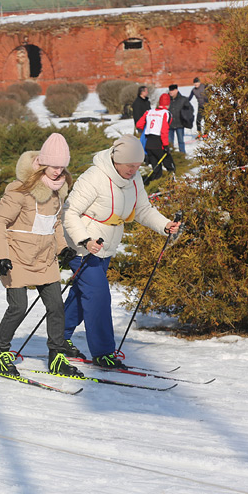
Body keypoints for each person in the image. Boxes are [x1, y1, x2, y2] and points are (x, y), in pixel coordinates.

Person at [62, 135, 180, 368]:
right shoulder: (94, 177)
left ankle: (59, 338)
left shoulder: (134, 180)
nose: (134, 170)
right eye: (130, 166)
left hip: (106, 248)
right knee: (98, 296)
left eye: (138, 166)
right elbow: (69, 212)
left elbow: (143, 209)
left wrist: (164, 224)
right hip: (82, 247)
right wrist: (84, 240)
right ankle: (104, 352)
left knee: (80, 295)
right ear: (117, 160)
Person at [0, 133, 80, 377]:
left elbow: (56, 224)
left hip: (44, 258)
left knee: (56, 307)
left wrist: (63, 248)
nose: (58, 172)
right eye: (53, 167)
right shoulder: (20, 190)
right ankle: (1, 353)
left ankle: (57, 357)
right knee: (18, 307)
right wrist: (0, 256)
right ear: (42, 163)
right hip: (16, 256)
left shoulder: (59, 190)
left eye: (62, 167)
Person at [136, 93, 175, 183]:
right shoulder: (166, 113)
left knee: (156, 169)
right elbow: (164, 131)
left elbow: (139, 125)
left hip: (148, 144)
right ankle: (172, 184)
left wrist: (149, 127)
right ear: (168, 103)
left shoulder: (149, 112)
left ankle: (156, 185)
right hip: (159, 143)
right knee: (170, 167)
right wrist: (166, 145)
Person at [166, 84, 194, 155]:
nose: (170, 92)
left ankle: (182, 155)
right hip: (170, 124)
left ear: (176, 90)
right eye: (170, 90)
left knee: (181, 141)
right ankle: (171, 155)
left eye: (172, 90)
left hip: (180, 123)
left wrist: (184, 115)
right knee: (170, 142)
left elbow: (190, 109)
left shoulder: (183, 99)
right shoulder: (166, 100)